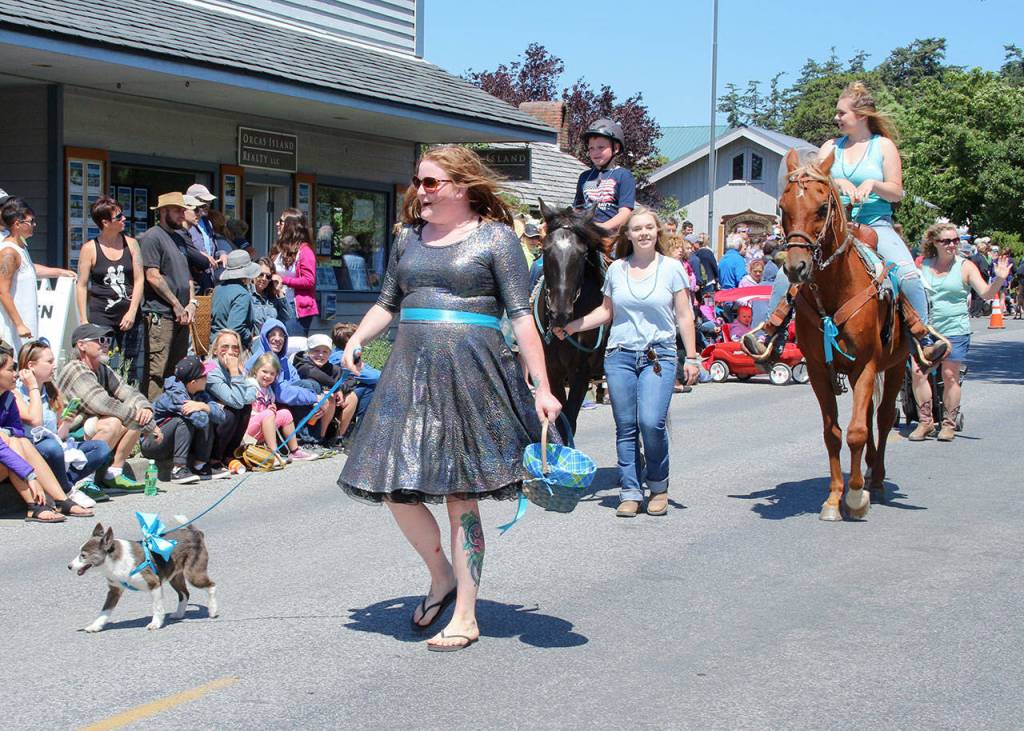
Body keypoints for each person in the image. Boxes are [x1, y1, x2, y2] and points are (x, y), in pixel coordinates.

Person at [338, 146, 561, 652]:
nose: (421, 192)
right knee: (395, 485)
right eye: (418, 181)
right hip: (409, 375)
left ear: (462, 187)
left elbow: (522, 316)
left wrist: (542, 386)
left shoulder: (497, 239)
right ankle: (441, 574)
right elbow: (386, 303)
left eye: (432, 183)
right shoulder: (406, 239)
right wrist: (355, 338)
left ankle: (466, 614)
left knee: (462, 496)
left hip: (471, 375)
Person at [745, 81, 948, 369]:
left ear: (861, 116)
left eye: (842, 113)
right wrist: (835, 181)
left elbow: (896, 191)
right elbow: (814, 183)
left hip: (876, 223)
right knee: (785, 274)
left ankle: (923, 337)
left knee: (907, 275)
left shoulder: (883, 146)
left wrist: (873, 184)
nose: (837, 118)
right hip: (834, 229)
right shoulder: (830, 147)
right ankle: (771, 333)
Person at [553, 206, 699, 518]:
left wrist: (693, 357)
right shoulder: (617, 270)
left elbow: (684, 315)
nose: (644, 233)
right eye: (637, 229)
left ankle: (658, 486)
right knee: (626, 427)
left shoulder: (673, 268)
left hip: (659, 354)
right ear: (628, 235)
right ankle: (630, 490)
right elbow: (606, 312)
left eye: (649, 227)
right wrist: (572, 326)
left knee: (651, 422)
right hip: (619, 355)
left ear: (657, 232)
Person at [907, 224, 1011, 442]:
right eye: (946, 241)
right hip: (926, 330)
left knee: (950, 375)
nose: (952, 245)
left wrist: (999, 279)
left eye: (955, 240)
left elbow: (986, 293)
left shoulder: (965, 266)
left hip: (955, 329)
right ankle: (925, 422)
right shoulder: (922, 265)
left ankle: (948, 424)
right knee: (918, 373)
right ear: (934, 242)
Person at [55, 323, 154, 494]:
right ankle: (83, 480)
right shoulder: (75, 369)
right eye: (101, 340)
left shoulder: (102, 368)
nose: (106, 344)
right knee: (114, 422)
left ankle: (113, 473)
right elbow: (102, 403)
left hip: (87, 425)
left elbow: (127, 391)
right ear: (81, 345)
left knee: (137, 415)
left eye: (108, 340)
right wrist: (150, 426)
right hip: (67, 430)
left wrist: (145, 409)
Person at [0, 349, 97, 522]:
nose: (15, 374)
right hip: (5, 456)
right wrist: (30, 475)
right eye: (10, 369)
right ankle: (34, 505)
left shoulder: (7, 396)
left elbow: (18, 430)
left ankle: (61, 500)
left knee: (17, 439)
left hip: (8, 456)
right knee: (11, 441)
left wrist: (6, 432)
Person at [14, 338, 112, 505]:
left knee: (100, 447)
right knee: (51, 447)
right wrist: (33, 387)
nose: (54, 365)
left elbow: (59, 435)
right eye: (49, 361)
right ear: (31, 366)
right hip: (32, 448)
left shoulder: (52, 390)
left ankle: (63, 485)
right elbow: (35, 422)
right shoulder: (17, 391)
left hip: (55, 447)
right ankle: (66, 492)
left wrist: (66, 422)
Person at [76, 196, 145, 385]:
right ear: (105, 222)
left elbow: (139, 279)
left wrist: (132, 312)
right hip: (101, 317)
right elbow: (82, 285)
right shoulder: (90, 248)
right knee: (101, 363)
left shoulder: (131, 244)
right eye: (119, 217)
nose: (124, 219)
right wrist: (84, 320)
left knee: (129, 367)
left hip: (130, 315)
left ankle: (132, 407)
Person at [139, 192, 197, 401]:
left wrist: (191, 303)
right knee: (157, 371)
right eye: (178, 210)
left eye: (184, 210)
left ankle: (171, 416)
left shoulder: (179, 238)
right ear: (163, 211)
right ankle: (153, 420)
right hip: (160, 314)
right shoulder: (152, 237)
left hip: (182, 315)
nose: (183, 214)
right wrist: (176, 305)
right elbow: (153, 276)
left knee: (177, 370)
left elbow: (188, 277)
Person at [0, 199, 74, 349]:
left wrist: (60, 272)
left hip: (26, 329)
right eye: (31, 221)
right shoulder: (8, 251)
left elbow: (30, 271)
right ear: (17, 224)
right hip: (11, 332)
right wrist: (19, 324)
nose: (34, 224)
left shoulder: (20, 247)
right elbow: (2, 291)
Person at [141, 354, 228, 483]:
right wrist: (205, 408)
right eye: (204, 376)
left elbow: (221, 417)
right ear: (193, 382)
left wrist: (204, 406)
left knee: (206, 413)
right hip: (152, 443)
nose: (207, 378)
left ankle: (200, 466)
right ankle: (178, 469)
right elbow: (200, 420)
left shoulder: (199, 393)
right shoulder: (175, 395)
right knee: (184, 420)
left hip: (170, 442)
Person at [574, 118, 636, 256]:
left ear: (616, 148)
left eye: (601, 147)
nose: (595, 152)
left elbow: (625, 213)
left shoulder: (623, 176)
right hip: (585, 233)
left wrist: (601, 228)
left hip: (612, 236)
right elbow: (577, 209)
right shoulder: (584, 177)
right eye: (591, 148)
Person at [246, 353, 317, 461]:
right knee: (268, 413)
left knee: (285, 413)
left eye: (272, 374)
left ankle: (294, 451)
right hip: (247, 429)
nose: (267, 376)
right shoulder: (250, 384)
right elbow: (247, 408)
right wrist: (267, 412)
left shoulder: (269, 390)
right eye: (264, 371)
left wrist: (271, 407)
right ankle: (273, 455)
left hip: (263, 427)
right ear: (256, 370)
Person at [205, 328, 256, 471]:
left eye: (235, 347)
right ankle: (213, 459)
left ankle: (228, 455)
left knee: (245, 408)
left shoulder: (236, 367)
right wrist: (235, 373)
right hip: (206, 421)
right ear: (215, 350)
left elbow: (252, 393)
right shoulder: (211, 370)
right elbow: (237, 401)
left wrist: (239, 375)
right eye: (225, 347)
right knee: (231, 411)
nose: (230, 351)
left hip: (228, 411)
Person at [292, 333, 358, 441]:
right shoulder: (302, 365)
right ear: (309, 352)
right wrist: (336, 388)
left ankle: (338, 438)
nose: (321, 355)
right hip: (306, 407)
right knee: (329, 396)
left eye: (325, 352)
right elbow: (315, 374)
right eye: (316, 351)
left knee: (352, 397)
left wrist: (341, 389)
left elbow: (352, 380)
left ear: (330, 354)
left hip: (328, 408)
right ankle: (320, 438)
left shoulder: (333, 369)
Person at [271, 208, 318, 337]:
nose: (277, 224)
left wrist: (282, 280)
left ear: (291, 225)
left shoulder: (305, 251)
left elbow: (309, 280)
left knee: (292, 347)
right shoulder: (279, 249)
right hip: (276, 303)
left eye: (281, 221)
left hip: (294, 308)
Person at [328, 321, 378, 424]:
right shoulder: (341, 358)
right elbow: (374, 377)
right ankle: (361, 424)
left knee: (369, 386)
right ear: (349, 342)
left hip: (345, 390)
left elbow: (369, 370)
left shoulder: (344, 353)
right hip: (338, 394)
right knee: (370, 387)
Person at [210, 249, 260, 351]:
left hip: (214, 344)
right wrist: (250, 337)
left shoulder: (218, 289)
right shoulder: (242, 294)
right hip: (232, 350)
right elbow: (235, 327)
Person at [251, 257, 293, 334]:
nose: (264, 278)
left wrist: (279, 291)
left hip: (270, 341)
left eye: (268, 276)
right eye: (261, 274)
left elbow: (288, 316)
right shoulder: (247, 295)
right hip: (254, 342)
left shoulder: (272, 297)